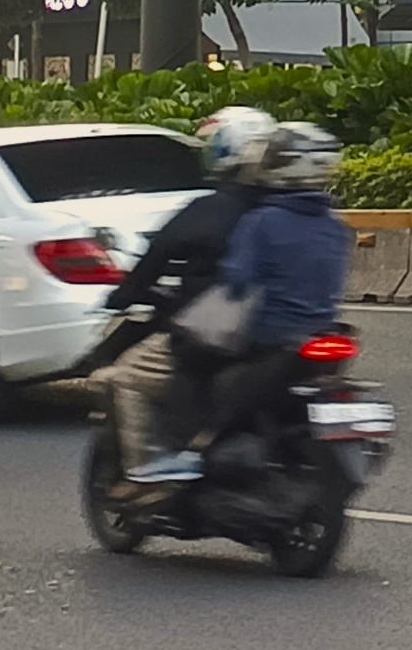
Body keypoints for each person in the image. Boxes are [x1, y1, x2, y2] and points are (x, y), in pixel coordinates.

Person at [104, 106, 280, 501]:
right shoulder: (287, 211)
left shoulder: (210, 209)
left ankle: (148, 472)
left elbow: (157, 255)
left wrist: (123, 295)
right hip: (281, 332)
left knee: (126, 377)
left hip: (218, 331)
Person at [164, 122, 352, 481]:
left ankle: (189, 451)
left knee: (188, 358)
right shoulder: (335, 226)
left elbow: (238, 282)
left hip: (269, 337)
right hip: (319, 334)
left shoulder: (262, 222)